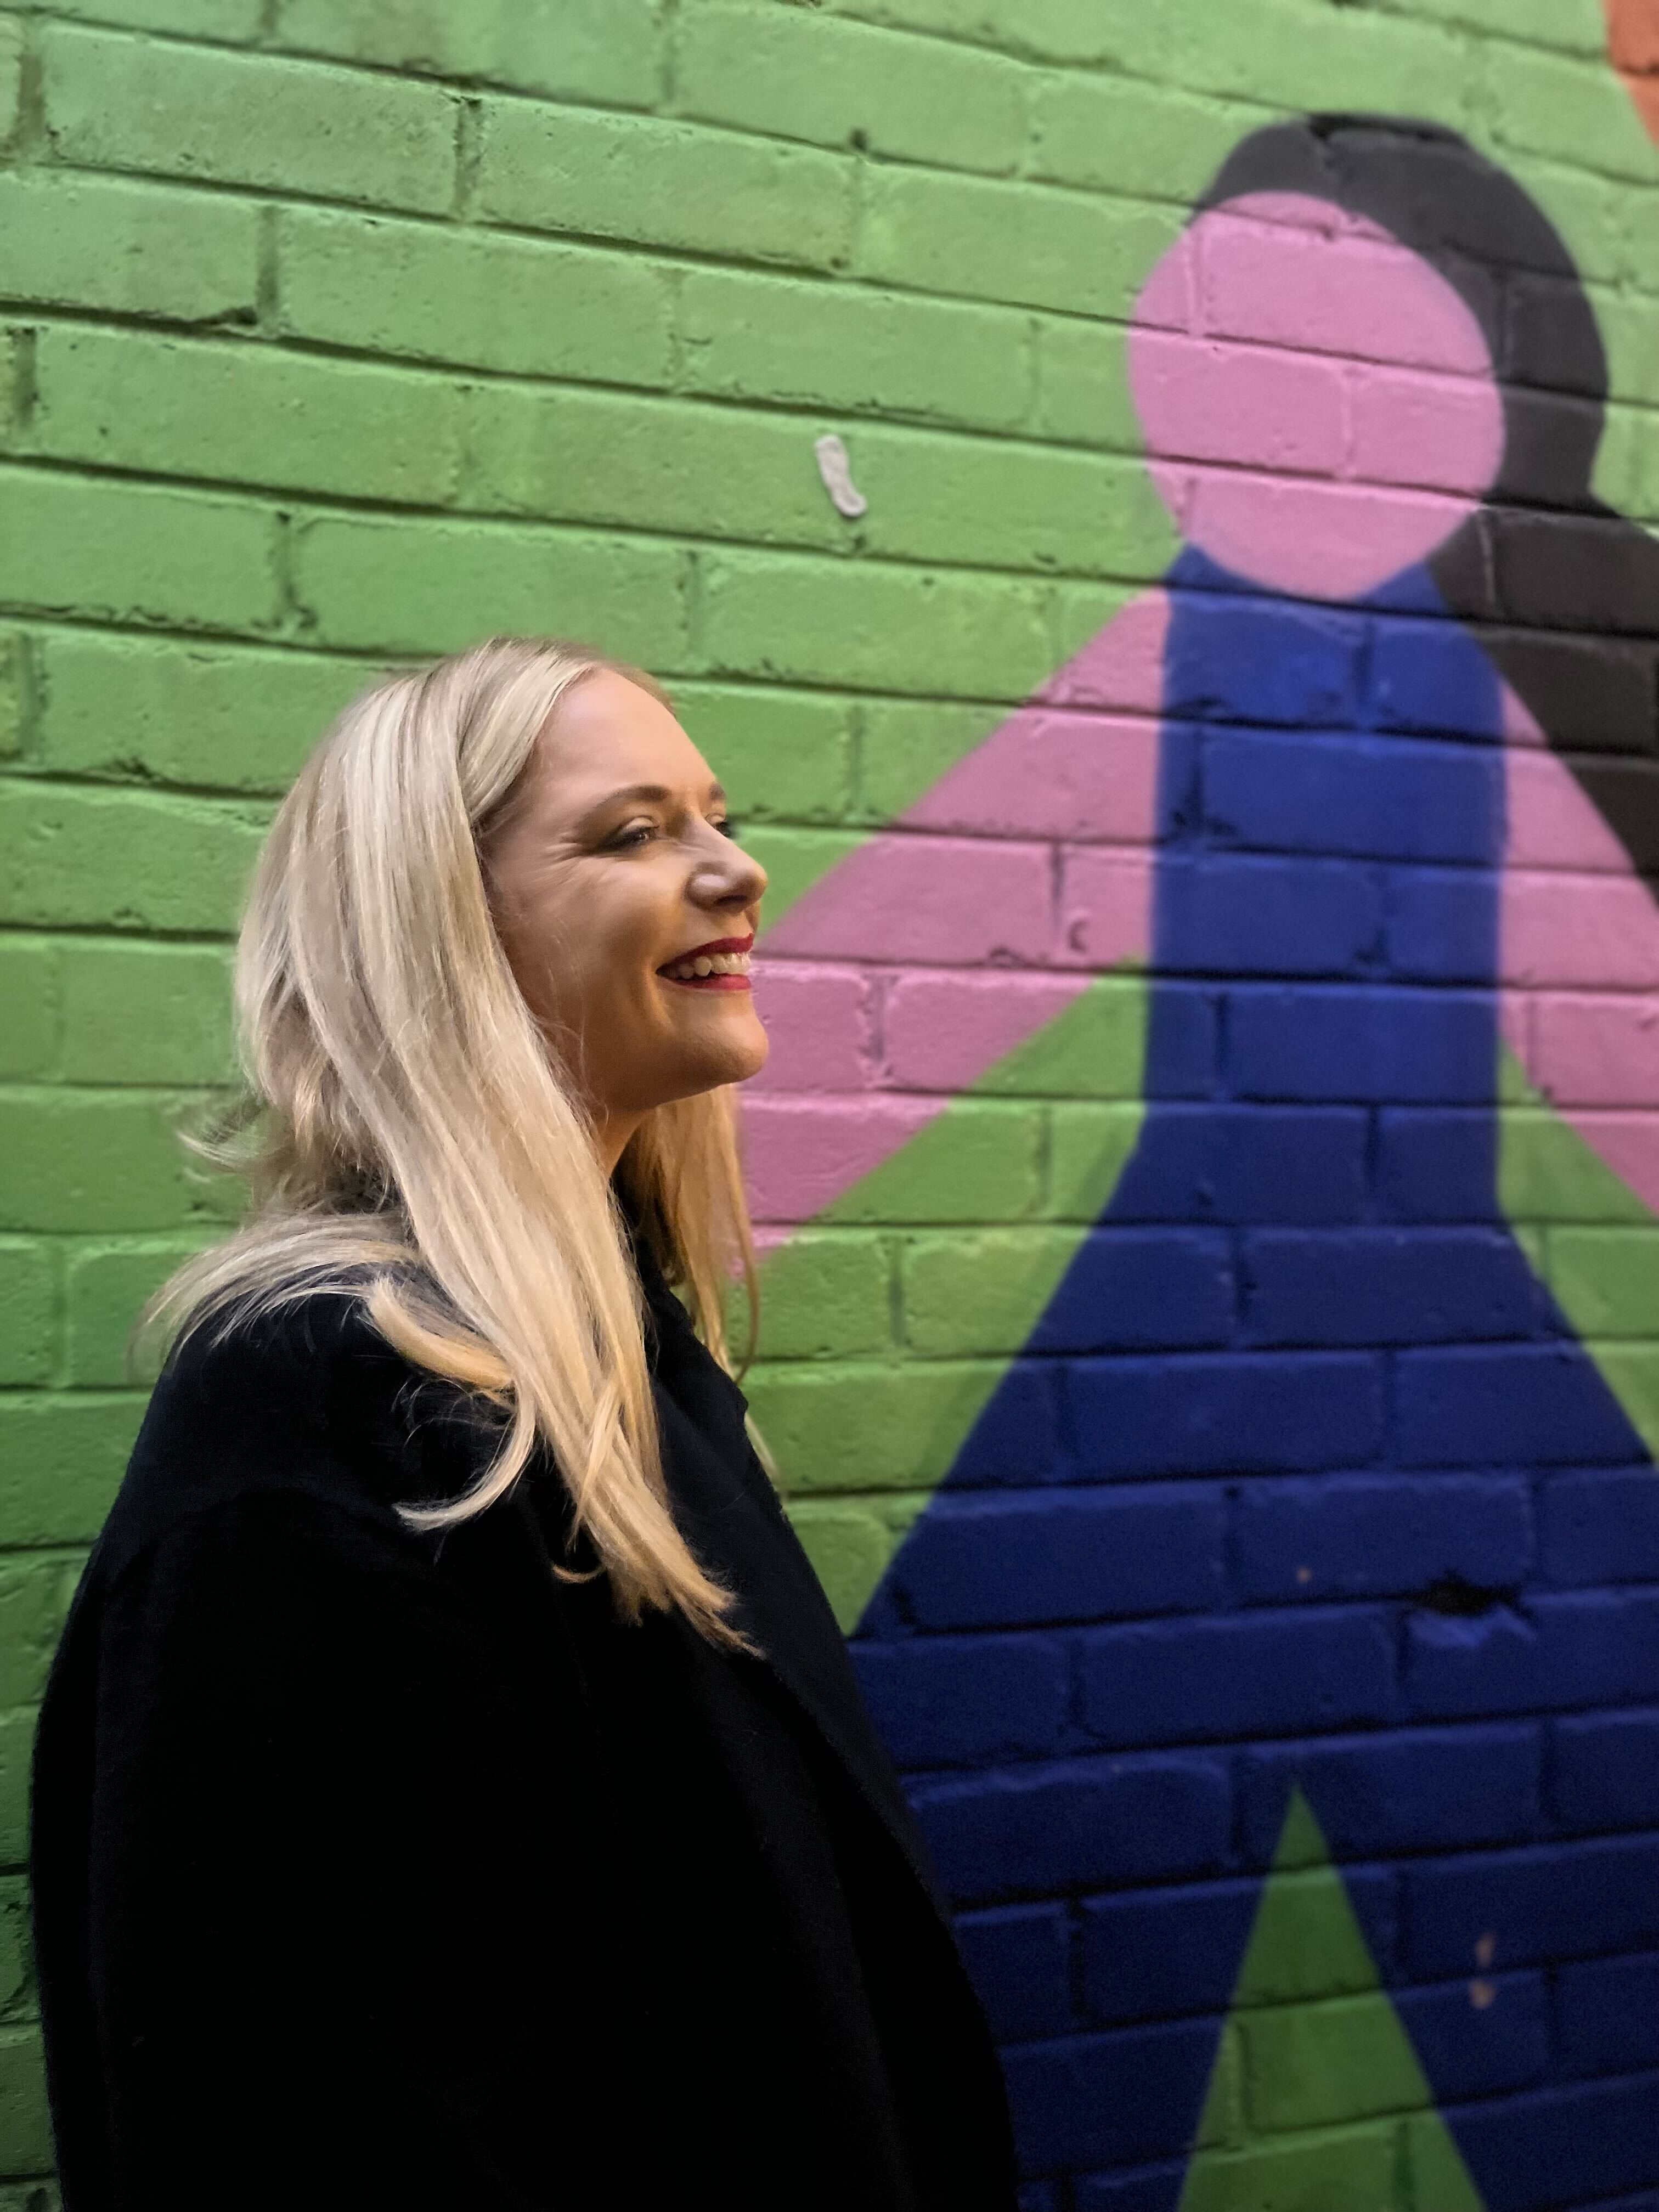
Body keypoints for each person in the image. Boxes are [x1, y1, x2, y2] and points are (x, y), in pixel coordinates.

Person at [27, 637, 1018, 2212]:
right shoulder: (331, 1407)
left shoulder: (614, 1356)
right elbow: (291, 2125)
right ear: (444, 930)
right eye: (633, 834)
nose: (735, 870)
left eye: (716, 818)